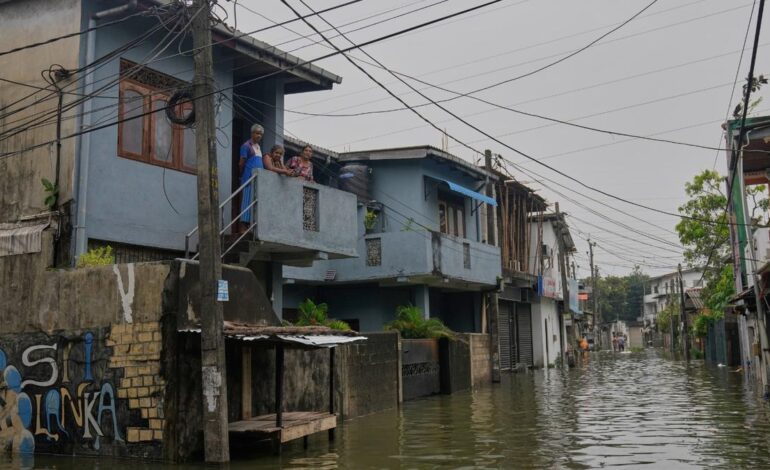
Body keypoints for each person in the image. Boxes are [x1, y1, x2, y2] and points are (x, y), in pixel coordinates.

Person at [238, 124, 264, 232]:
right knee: (246, 201)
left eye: (261, 134)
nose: (259, 136)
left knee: (254, 200)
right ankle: (243, 226)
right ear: (252, 133)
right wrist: (242, 175)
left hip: (258, 178)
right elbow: (241, 163)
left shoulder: (258, 147)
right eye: (257, 133)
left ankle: (250, 225)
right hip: (248, 177)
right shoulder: (246, 146)